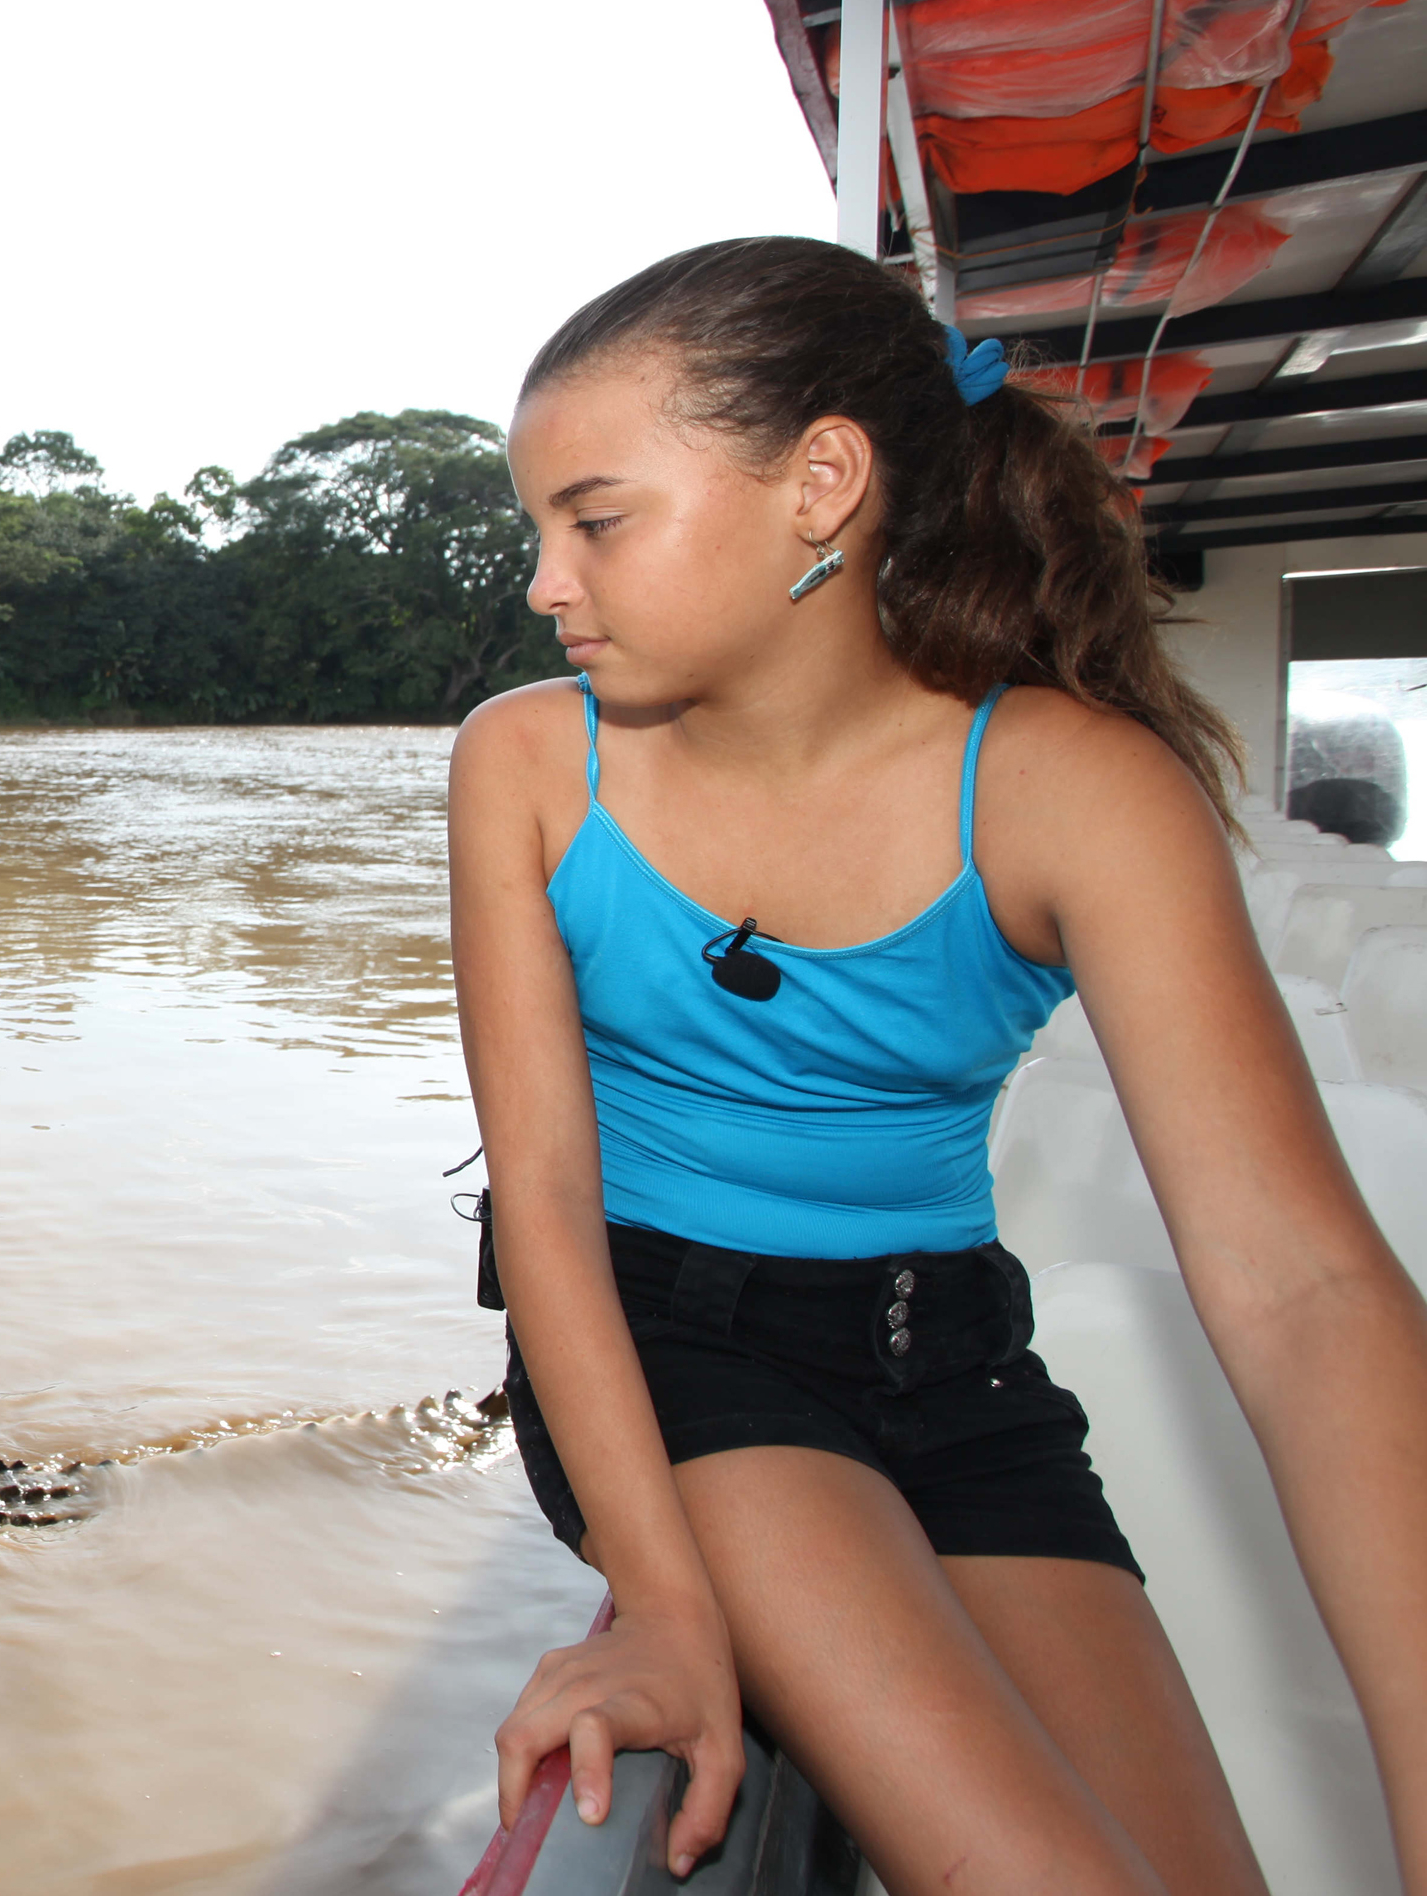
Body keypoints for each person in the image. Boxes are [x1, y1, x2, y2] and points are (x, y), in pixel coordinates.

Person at [457, 236, 1427, 1891]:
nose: (548, 584)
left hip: (960, 1361)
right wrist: (670, 1610)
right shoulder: (530, 765)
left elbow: (1307, 1294)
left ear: (820, 484)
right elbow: (542, 1195)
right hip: (670, 1344)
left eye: (596, 521)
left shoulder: (1075, 791)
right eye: (540, 533)